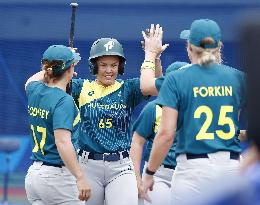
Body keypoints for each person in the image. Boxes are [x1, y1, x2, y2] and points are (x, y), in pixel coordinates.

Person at [141, 19, 246, 205]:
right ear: (219, 46)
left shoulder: (178, 78)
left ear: (189, 47)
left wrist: (150, 53)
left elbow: (165, 134)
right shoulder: (238, 78)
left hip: (193, 171)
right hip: (231, 167)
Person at [71, 35, 167, 205]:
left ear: (120, 67)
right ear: (94, 66)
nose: (109, 70)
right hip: (87, 167)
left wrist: (155, 57)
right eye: (103, 65)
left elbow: (156, 85)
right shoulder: (81, 87)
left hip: (121, 168)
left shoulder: (128, 89)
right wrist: (65, 64)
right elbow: (52, 84)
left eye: (114, 65)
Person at [25, 45, 91, 205]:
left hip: (34, 176)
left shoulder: (34, 89)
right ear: (70, 69)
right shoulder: (64, 100)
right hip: (58, 179)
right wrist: (80, 177)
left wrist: (61, 64)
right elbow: (62, 142)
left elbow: (30, 80)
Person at [130, 61, 188, 205]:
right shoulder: (154, 108)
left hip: (188, 171)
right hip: (158, 174)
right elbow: (137, 141)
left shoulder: (196, 107)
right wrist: (136, 177)